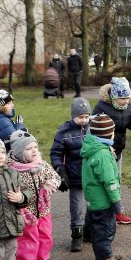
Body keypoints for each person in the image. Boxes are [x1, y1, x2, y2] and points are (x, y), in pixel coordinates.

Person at [8, 132, 61, 260]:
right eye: (28, 148)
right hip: (25, 214)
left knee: (45, 238)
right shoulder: (12, 171)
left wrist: (51, 183)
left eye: (35, 147)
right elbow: (7, 190)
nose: (34, 151)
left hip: (43, 212)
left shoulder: (42, 165)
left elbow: (55, 176)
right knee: (27, 243)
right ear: (18, 152)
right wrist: (17, 198)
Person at [92, 77, 131, 224]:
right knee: (106, 181)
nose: (125, 101)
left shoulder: (130, 106)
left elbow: (130, 120)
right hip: (104, 151)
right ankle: (105, 212)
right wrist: (105, 146)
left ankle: (117, 212)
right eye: (121, 98)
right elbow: (93, 129)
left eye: (127, 97)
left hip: (118, 149)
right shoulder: (102, 107)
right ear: (113, 97)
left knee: (116, 181)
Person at [81, 114, 124, 260]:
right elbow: (109, 181)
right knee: (105, 229)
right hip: (103, 199)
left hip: (94, 198)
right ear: (109, 133)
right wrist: (117, 202)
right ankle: (104, 257)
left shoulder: (92, 148)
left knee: (99, 227)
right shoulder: (103, 154)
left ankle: (103, 253)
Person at [51, 98, 91, 252]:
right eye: (80, 117)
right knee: (77, 207)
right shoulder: (64, 133)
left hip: (91, 176)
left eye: (86, 117)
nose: (84, 120)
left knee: (92, 204)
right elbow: (56, 153)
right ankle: (77, 235)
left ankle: (90, 231)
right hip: (74, 176)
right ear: (73, 116)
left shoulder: (92, 129)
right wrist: (60, 170)